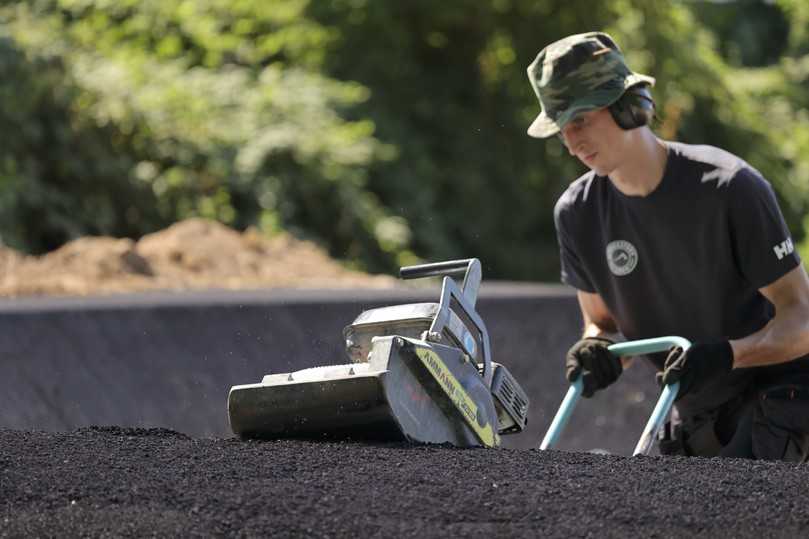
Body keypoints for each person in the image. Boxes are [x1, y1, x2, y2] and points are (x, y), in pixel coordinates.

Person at [526, 31, 809, 461]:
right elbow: (602, 324)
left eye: (580, 119)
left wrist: (728, 355)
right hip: (692, 406)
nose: (571, 140)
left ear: (629, 106)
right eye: (561, 128)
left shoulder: (729, 188)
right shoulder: (576, 213)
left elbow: (802, 321)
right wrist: (596, 349)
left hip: (780, 393)